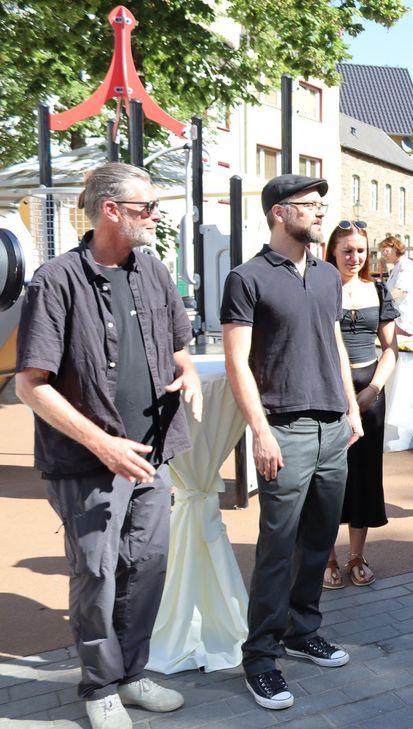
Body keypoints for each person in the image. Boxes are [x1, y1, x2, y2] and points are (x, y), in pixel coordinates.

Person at [15, 163, 202, 729]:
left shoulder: (153, 271)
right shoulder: (56, 279)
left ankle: (130, 673)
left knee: (146, 567)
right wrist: (104, 445)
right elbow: (31, 385)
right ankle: (99, 686)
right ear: (111, 210)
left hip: (153, 451)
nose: (156, 215)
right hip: (86, 460)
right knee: (96, 574)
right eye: (146, 207)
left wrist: (188, 372)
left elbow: (178, 346)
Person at [220, 175, 364, 711]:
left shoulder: (326, 275)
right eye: (310, 206)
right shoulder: (246, 277)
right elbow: (237, 361)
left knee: (318, 541)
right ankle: (259, 657)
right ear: (281, 213)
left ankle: (302, 632)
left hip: (333, 427)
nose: (321, 213)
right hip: (284, 426)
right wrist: (260, 431)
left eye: (322, 205)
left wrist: (350, 407)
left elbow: (332, 340)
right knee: (277, 548)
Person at [322, 220, 399, 589]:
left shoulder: (379, 290)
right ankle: (327, 557)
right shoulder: (320, 287)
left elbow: (390, 349)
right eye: (347, 250)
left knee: (364, 475)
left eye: (360, 251)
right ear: (333, 251)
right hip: (327, 391)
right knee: (325, 476)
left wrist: (374, 389)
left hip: (369, 393)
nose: (355, 257)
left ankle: (355, 555)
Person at [379, 235, 413, 337]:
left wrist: (380, 301)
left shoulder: (405, 265)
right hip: (399, 317)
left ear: (395, 248)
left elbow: (400, 290)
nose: (383, 255)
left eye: (385, 251)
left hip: (404, 320)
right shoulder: (398, 266)